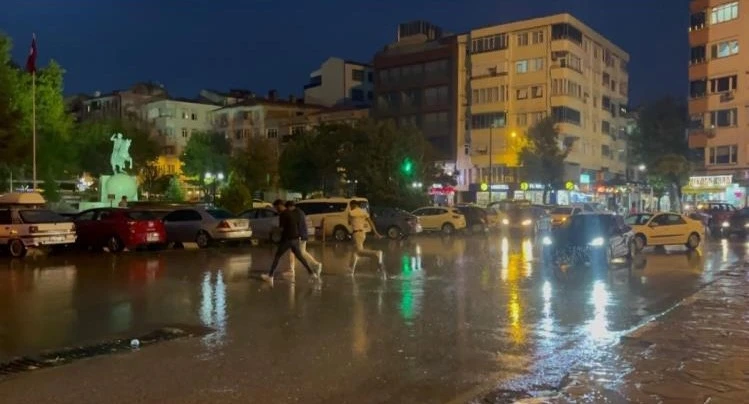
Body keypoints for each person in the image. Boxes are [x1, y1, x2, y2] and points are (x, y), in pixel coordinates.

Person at [261, 199, 319, 285]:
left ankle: (270, 276)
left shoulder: (283, 214)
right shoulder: (292, 213)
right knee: (300, 257)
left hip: (287, 239)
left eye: (276, 207)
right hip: (295, 239)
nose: (276, 209)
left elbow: (281, 229)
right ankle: (312, 273)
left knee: (277, 256)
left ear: (280, 205)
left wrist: (275, 231)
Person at [286, 200, 322, 276]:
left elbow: (295, 225)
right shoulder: (301, 212)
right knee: (302, 252)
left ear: (290, 207)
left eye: (287, 208)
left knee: (293, 252)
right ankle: (315, 264)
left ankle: (291, 270)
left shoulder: (295, 213)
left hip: (299, 235)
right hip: (303, 235)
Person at [348, 200, 384, 273]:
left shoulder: (351, 212)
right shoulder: (364, 212)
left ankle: (377, 253)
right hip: (363, 234)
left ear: (352, 205)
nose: (350, 207)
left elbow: (349, 222)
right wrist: (376, 233)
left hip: (356, 233)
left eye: (350, 206)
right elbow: (371, 222)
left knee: (359, 251)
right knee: (355, 252)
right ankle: (352, 270)